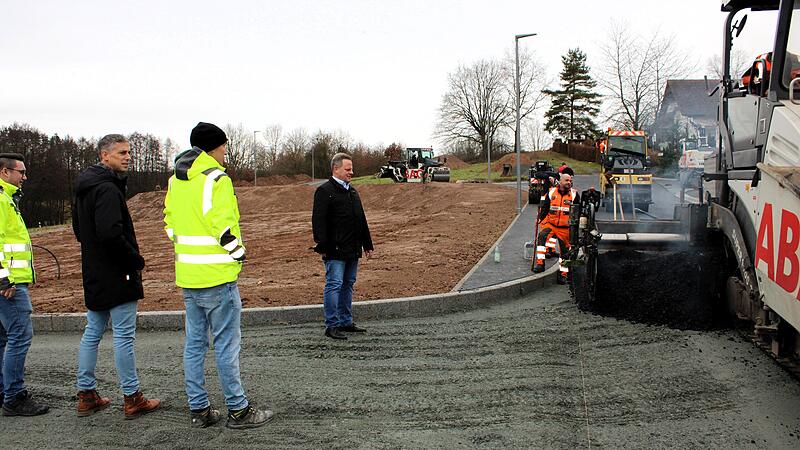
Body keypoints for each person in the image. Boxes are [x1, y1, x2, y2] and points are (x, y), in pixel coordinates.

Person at [164, 122, 272, 429]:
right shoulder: (217, 179)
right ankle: (239, 411)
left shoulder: (176, 180)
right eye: (223, 145)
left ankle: (199, 409)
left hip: (189, 276)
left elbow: (170, 223)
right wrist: (238, 252)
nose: (226, 150)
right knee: (226, 345)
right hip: (218, 277)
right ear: (212, 147)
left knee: (195, 344)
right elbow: (222, 225)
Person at [72, 135, 160, 419]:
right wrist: (134, 259)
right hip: (117, 274)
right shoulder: (107, 190)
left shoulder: (84, 188)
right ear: (104, 156)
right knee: (123, 336)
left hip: (94, 272)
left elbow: (78, 231)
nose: (128, 157)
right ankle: (132, 397)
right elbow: (111, 233)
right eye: (122, 152)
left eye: (129, 152)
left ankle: (86, 394)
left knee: (92, 332)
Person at [0, 153, 49, 417]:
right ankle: (14, 397)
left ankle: (5, 390)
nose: (25, 177)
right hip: (9, 285)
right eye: (21, 172)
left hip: (7, 281)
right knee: (19, 336)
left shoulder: (8, 199)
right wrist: (3, 278)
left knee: (3, 338)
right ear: (5, 172)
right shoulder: (1, 200)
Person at [312, 153, 374, 340]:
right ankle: (332, 325)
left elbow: (360, 220)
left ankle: (346, 321)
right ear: (335, 169)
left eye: (351, 169)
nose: (351, 172)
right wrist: (321, 244)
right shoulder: (324, 191)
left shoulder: (352, 192)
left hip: (352, 248)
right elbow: (318, 220)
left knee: (348, 284)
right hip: (335, 249)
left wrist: (367, 244)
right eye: (348, 169)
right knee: (334, 285)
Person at [532, 167, 579, 285]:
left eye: (570, 181)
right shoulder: (552, 192)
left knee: (565, 253)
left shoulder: (574, 195)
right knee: (542, 237)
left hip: (565, 229)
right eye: (567, 180)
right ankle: (540, 264)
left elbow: (578, 212)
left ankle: (563, 275)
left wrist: (576, 228)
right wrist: (539, 219)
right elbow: (546, 208)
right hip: (551, 225)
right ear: (561, 181)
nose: (569, 182)